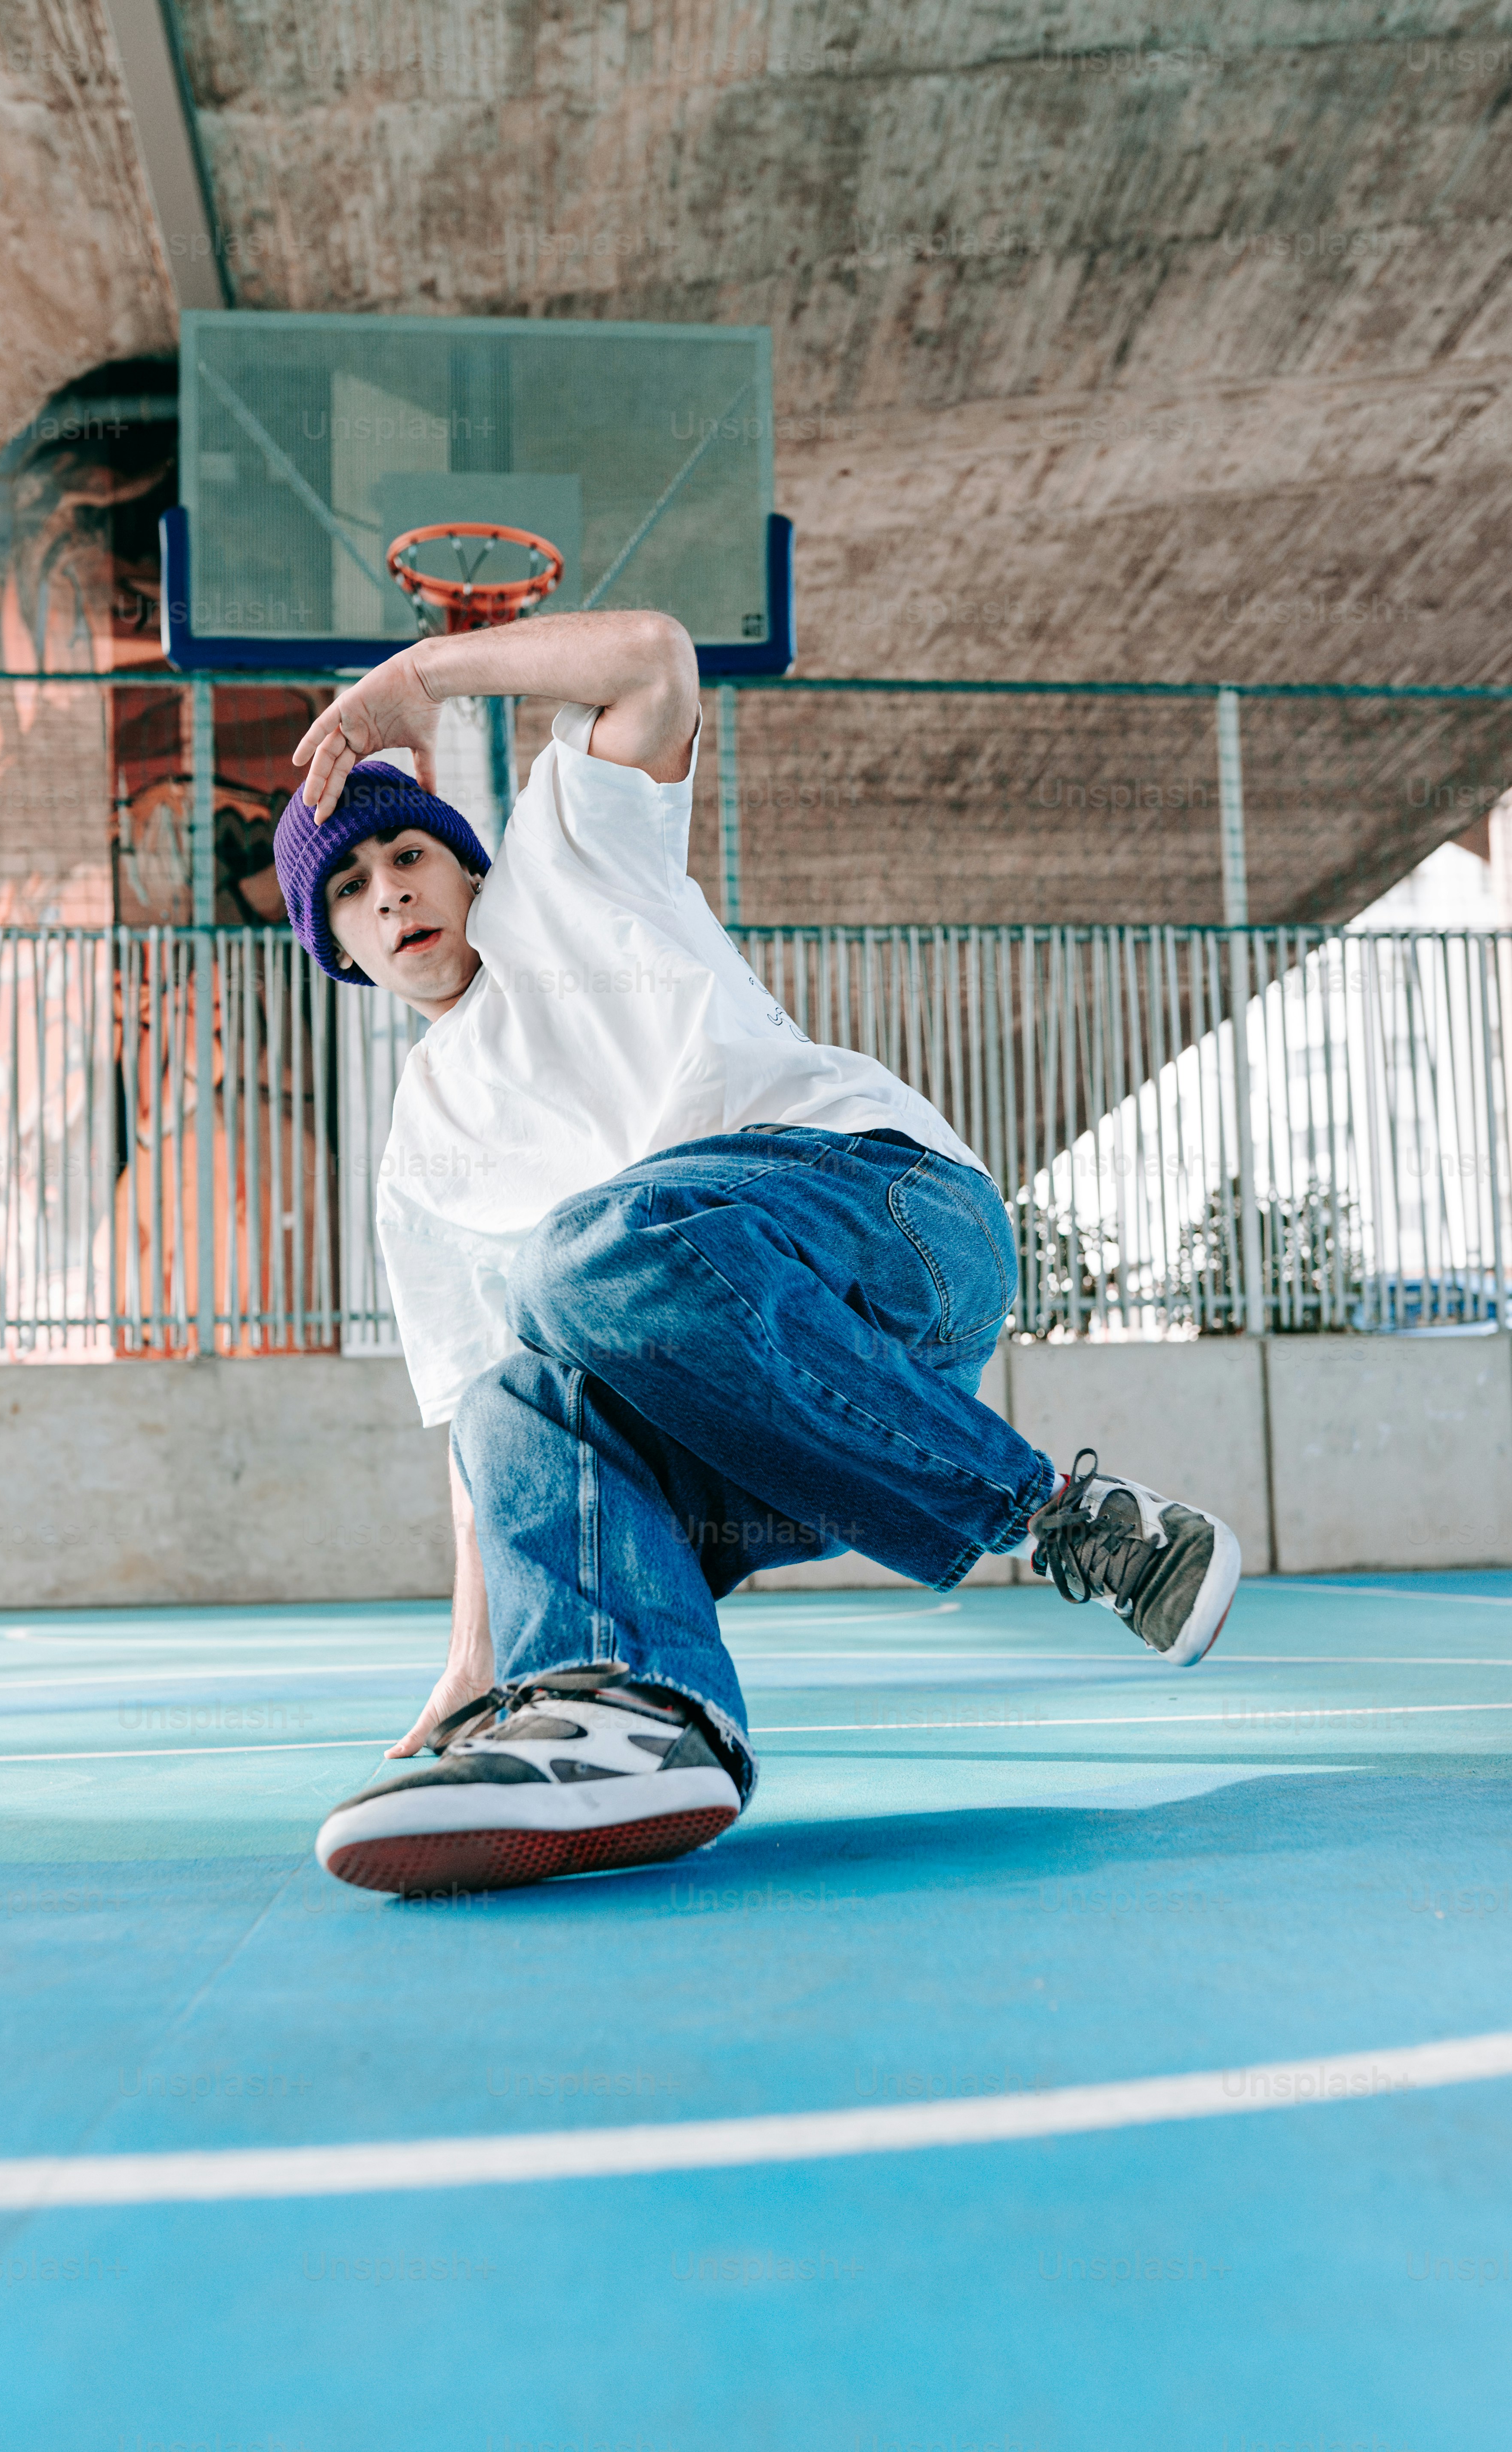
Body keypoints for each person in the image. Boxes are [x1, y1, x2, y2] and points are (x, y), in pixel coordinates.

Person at [271, 609, 1240, 1899]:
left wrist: (419, 678)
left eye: (409, 854)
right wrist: (477, 1661)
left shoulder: (571, 864)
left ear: (465, 868)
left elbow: (655, 659)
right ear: (332, 947)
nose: (389, 887)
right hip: (777, 1419)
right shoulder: (418, 1157)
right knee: (516, 1385)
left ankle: (1062, 1521)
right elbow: (483, 1445)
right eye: (350, 887)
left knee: (577, 1257)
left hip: (890, 1228)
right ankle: (632, 1713)